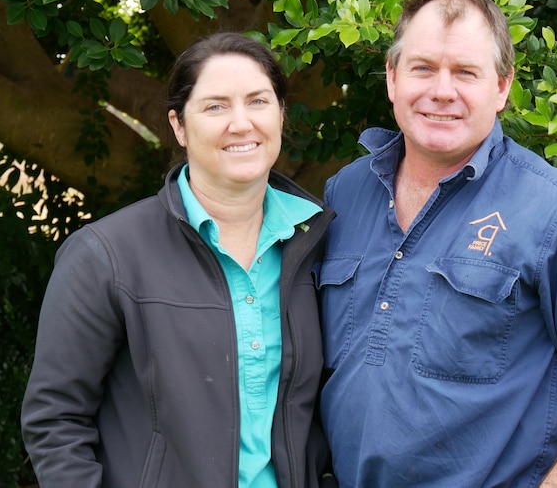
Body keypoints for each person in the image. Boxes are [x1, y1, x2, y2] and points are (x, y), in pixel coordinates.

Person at [315, 0, 557, 487]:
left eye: (465, 72)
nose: (441, 90)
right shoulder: (344, 194)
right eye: (422, 68)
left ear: (501, 87)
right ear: (391, 79)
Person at [21, 32, 337, 488]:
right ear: (179, 126)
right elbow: (55, 421)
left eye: (258, 101)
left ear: (281, 114)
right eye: (215, 106)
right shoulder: (106, 255)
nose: (242, 123)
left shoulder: (319, 246)